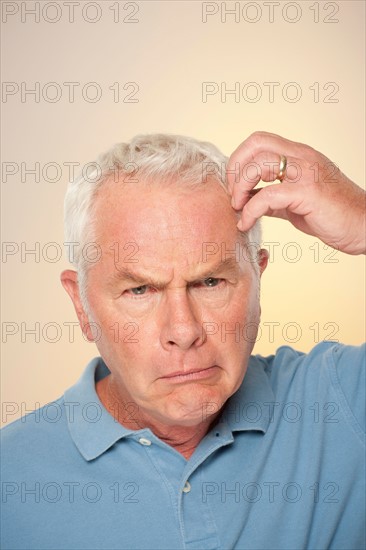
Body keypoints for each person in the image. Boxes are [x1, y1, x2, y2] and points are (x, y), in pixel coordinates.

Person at [1, 131, 365, 550]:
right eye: (140, 291)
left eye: (210, 281)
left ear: (258, 281)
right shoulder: (9, 482)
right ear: (82, 306)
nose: (184, 330)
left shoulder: (339, 402)